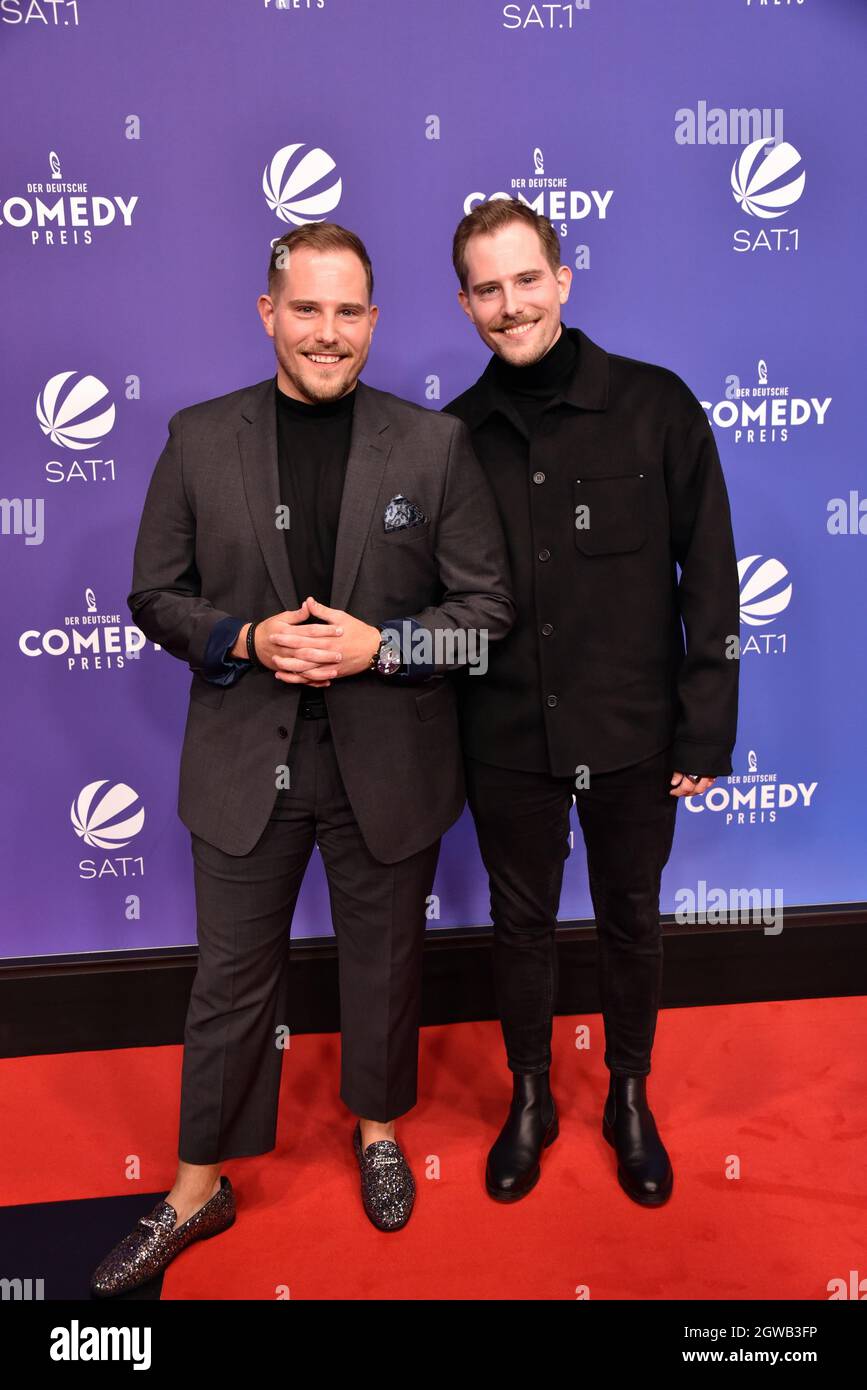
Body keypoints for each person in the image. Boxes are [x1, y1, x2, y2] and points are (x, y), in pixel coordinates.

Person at [90, 222, 514, 1296]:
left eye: (348, 313)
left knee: (383, 966)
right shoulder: (196, 437)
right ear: (269, 311)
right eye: (307, 309)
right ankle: (197, 1185)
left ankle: (378, 1131)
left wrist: (391, 644)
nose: (328, 333)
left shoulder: (432, 446)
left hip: (393, 757)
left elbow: (488, 615)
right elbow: (154, 595)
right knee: (230, 981)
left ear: (374, 322)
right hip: (243, 760)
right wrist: (243, 637)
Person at [443, 199, 740, 1206]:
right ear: (465, 303)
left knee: (631, 917)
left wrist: (706, 722)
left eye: (527, 279)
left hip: (633, 729)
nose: (510, 303)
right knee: (518, 925)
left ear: (563, 280)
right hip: (505, 732)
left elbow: (710, 576)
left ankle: (628, 1096)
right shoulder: (451, 438)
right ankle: (529, 1096)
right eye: (488, 286)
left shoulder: (659, 406)